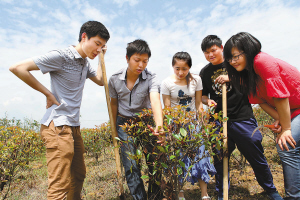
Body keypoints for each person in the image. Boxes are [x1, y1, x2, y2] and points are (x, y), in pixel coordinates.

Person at [9, 21, 110, 199]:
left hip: (73, 126)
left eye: (102, 46)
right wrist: (47, 93)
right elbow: (17, 68)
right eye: (97, 43)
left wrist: (103, 57)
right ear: (84, 37)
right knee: (60, 184)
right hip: (57, 125)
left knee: (78, 175)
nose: (99, 48)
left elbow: (101, 81)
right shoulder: (61, 56)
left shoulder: (85, 63)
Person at [199, 35, 283, 200]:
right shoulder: (204, 72)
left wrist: (230, 78)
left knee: (255, 152)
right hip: (218, 120)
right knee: (219, 156)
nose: (210, 54)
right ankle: (222, 192)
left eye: (213, 50)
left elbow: (250, 79)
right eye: (206, 52)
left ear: (221, 48)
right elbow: (202, 95)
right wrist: (207, 100)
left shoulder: (234, 63)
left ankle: (270, 189)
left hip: (242, 116)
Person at [223, 32, 300, 200]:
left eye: (236, 56)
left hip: (298, 108)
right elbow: (262, 102)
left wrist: (286, 128)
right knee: (291, 147)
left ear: (248, 49)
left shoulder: (262, 61)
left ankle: (294, 196)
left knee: (286, 145)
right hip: (292, 111)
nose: (233, 61)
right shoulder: (248, 74)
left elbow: (280, 96)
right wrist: (279, 119)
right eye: (230, 59)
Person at [108, 39, 165, 200]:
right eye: (137, 60)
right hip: (124, 123)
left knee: (155, 161)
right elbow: (113, 104)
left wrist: (159, 126)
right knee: (131, 165)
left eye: (145, 61)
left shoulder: (151, 77)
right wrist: (113, 128)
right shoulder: (114, 79)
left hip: (146, 122)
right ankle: (139, 197)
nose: (141, 65)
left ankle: (155, 196)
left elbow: (155, 101)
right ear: (127, 58)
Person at [161, 52, 216, 200]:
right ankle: (180, 194)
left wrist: (203, 125)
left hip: (193, 124)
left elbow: (198, 104)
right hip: (176, 125)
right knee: (179, 158)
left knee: (200, 156)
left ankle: (204, 194)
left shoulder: (196, 80)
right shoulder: (166, 83)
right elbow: (167, 109)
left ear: (189, 68)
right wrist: (168, 130)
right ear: (173, 66)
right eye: (177, 68)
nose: (180, 72)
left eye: (184, 69)